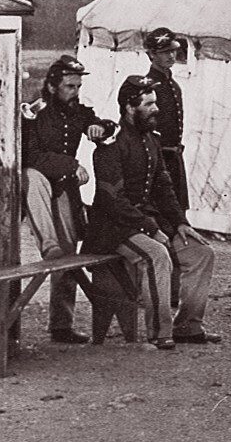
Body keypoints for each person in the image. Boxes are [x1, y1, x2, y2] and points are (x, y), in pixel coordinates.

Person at [88, 74, 218, 348]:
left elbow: (164, 188)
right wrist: (152, 228)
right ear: (129, 107)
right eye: (148, 104)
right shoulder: (111, 146)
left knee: (201, 253)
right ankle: (160, 333)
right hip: (115, 228)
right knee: (157, 255)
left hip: (147, 223)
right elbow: (113, 202)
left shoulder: (151, 140)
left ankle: (188, 326)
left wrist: (180, 223)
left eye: (155, 103)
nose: (156, 109)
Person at [23, 53, 101, 344]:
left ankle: (61, 325)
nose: (75, 92)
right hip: (37, 186)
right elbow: (31, 154)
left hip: (64, 188)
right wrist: (71, 165)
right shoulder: (37, 111)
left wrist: (100, 128)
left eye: (78, 86)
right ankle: (48, 243)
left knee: (69, 253)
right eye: (70, 86)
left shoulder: (77, 111)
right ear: (53, 86)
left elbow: (103, 125)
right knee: (32, 174)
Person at [143, 28, 192, 212]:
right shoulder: (148, 87)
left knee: (177, 207)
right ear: (152, 54)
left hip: (174, 156)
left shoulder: (174, 85)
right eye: (165, 53)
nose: (171, 56)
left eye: (173, 51)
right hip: (157, 158)